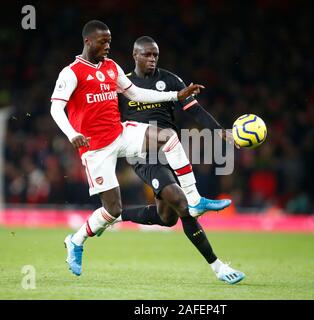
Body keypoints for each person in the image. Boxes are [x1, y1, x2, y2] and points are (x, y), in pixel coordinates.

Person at [50, 20, 236, 281]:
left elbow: (137, 94)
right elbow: (56, 109)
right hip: (96, 149)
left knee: (168, 137)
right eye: (103, 42)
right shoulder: (71, 73)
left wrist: (176, 96)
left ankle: (194, 198)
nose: (108, 46)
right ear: (88, 42)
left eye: (110, 42)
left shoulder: (112, 68)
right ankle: (76, 240)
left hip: (120, 133)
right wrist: (72, 134)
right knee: (112, 209)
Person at [100, 36, 245, 284]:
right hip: (144, 154)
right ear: (135, 55)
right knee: (183, 203)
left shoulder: (170, 80)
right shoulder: (123, 85)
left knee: (167, 218)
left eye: (155, 55)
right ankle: (218, 266)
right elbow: (112, 122)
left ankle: (115, 216)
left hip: (170, 150)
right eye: (147, 55)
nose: (152, 59)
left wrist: (219, 131)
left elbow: (195, 110)